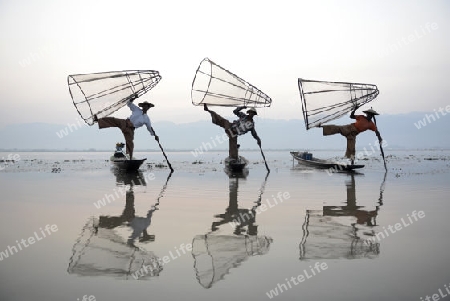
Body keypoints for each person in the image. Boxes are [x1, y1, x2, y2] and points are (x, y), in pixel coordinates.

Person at [94, 95, 159, 160]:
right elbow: (129, 103)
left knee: (130, 143)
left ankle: (129, 158)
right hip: (125, 122)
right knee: (113, 120)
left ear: (148, 108)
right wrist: (134, 98)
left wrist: (155, 135)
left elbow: (149, 128)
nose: (145, 107)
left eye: (147, 106)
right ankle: (98, 120)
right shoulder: (136, 109)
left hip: (130, 129)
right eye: (144, 105)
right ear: (142, 106)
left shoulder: (146, 119)